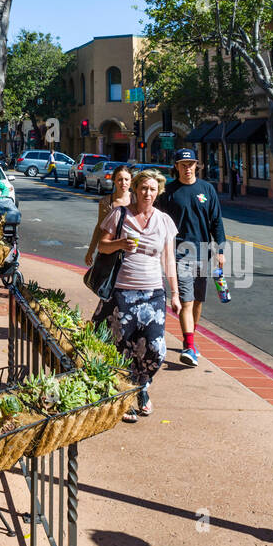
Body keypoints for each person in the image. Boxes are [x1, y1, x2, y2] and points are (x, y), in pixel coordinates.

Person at [94, 169, 181, 421]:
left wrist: (174, 294)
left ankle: (142, 385)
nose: (148, 193)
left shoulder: (164, 221)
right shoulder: (119, 214)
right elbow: (102, 245)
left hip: (153, 292)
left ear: (158, 192)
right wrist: (120, 244)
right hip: (122, 291)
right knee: (122, 347)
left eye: (153, 189)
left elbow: (169, 259)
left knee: (155, 348)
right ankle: (125, 396)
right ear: (135, 189)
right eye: (144, 188)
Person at [156, 146, 226, 368]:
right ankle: (188, 346)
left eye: (191, 164)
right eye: (183, 165)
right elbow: (155, 218)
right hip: (180, 253)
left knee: (197, 301)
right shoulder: (168, 191)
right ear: (176, 167)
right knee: (186, 300)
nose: (188, 168)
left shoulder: (207, 189)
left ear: (197, 165)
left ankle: (191, 340)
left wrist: (220, 250)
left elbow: (217, 221)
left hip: (203, 252)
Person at [84, 163, 133, 268]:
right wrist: (90, 251)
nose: (123, 183)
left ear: (131, 181)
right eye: (120, 179)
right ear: (114, 181)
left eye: (126, 179)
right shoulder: (106, 202)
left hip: (131, 251)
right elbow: (99, 227)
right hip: (110, 251)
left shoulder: (136, 200)